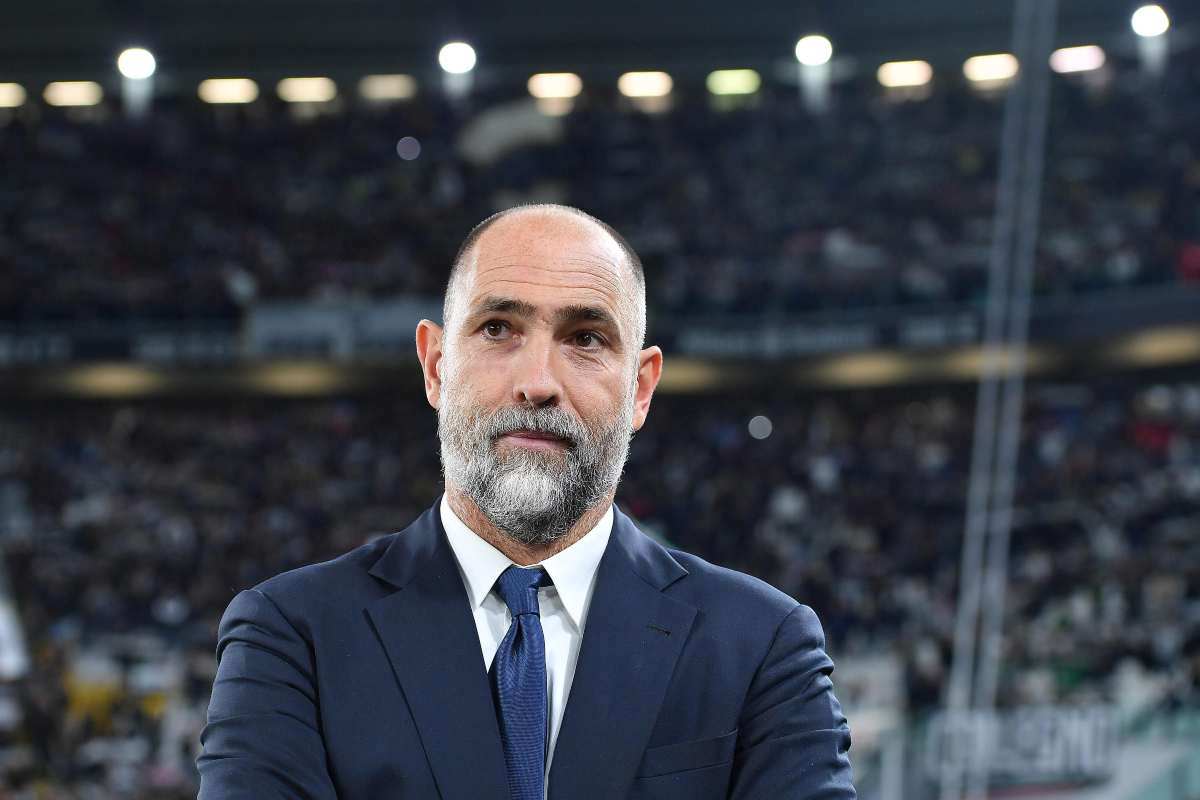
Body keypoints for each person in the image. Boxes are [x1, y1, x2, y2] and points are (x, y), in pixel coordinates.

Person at [196, 204, 856, 799]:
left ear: (641, 389)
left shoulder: (762, 646)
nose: (538, 382)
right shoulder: (292, 636)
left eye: (586, 338)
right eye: (497, 329)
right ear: (435, 366)